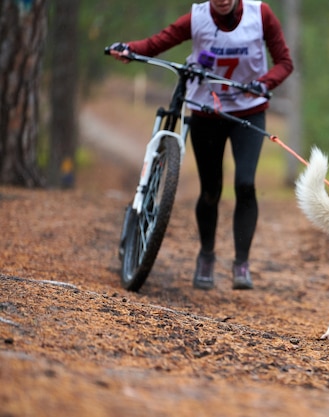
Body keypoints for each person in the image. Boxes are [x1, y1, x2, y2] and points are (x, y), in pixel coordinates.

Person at [110, 0, 293, 290]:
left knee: (245, 184)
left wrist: (265, 83)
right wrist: (130, 49)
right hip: (206, 112)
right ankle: (206, 256)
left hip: (249, 111)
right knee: (210, 190)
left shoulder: (261, 14)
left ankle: (241, 263)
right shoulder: (197, 18)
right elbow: (159, 42)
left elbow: (285, 62)